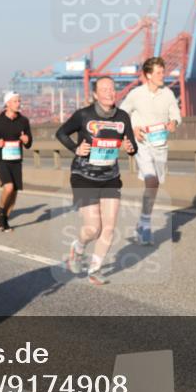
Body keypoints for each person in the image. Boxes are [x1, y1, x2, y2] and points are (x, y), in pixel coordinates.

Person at [56, 77, 136, 285]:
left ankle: (95, 269)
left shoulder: (123, 117)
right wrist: (76, 148)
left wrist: (130, 148)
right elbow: (61, 133)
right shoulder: (84, 115)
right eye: (105, 89)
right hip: (84, 177)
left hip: (110, 177)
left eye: (112, 88)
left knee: (109, 227)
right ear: (95, 94)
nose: (110, 92)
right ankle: (78, 248)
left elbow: (132, 145)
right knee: (93, 228)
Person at [119, 56, 181, 245]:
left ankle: (142, 221)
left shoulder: (168, 94)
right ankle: (145, 225)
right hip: (142, 143)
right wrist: (132, 130)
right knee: (151, 179)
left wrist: (174, 123)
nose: (163, 75)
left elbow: (176, 115)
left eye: (163, 72)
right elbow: (122, 114)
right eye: (159, 72)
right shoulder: (136, 94)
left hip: (160, 145)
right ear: (148, 75)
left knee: (153, 186)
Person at [0, 91, 32, 232]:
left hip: (16, 160)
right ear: (7, 103)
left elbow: (29, 143)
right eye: (15, 101)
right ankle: (2, 212)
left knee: (14, 192)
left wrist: (26, 141)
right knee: (8, 187)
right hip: (1, 159)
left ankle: (5, 220)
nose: (18, 104)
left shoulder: (24, 121)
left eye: (19, 101)